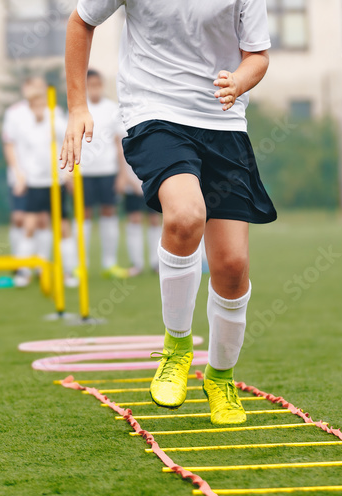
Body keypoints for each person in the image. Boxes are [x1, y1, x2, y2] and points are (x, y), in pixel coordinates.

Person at [63, 0, 276, 424]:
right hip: (155, 115)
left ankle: (219, 376)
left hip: (223, 124)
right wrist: (78, 107)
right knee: (184, 215)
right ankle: (177, 348)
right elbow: (81, 21)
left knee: (232, 266)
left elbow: (258, 56)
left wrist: (238, 81)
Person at [10, 84, 79, 288]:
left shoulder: (56, 123)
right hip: (36, 183)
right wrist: (21, 178)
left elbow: (69, 145)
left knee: (63, 227)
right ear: (30, 107)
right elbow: (22, 154)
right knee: (29, 225)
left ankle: (68, 272)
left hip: (55, 182)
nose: (39, 108)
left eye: (43, 104)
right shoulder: (25, 128)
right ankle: (23, 272)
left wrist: (69, 175)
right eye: (35, 105)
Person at [79, 69, 128, 277]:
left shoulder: (112, 109)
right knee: (84, 216)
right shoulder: (78, 110)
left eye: (97, 84)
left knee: (109, 213)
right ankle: (81, 265)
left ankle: (110, 264)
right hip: (83, 172)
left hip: (108, 171)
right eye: (90, 85)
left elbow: (119, 144)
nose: (94, 89)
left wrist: (122, 174)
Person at [2, 78, 47, 265]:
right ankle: (19, 263)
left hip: (46, 177)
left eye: (40, 86)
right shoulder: (14, 113)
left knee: (43, 219)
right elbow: (9, 144)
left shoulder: (54, 111)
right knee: (19, 218)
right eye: (32, 86)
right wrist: (18, 173)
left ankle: (41, 265)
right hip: (22, 175)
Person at [121, 157, 162, 276]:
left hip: (153, 183)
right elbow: (120, 154)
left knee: (154, 220)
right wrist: (127, 179)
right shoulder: (122, 137)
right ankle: (136, 264)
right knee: (134, 220)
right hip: (131, 185)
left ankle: (157, 263)